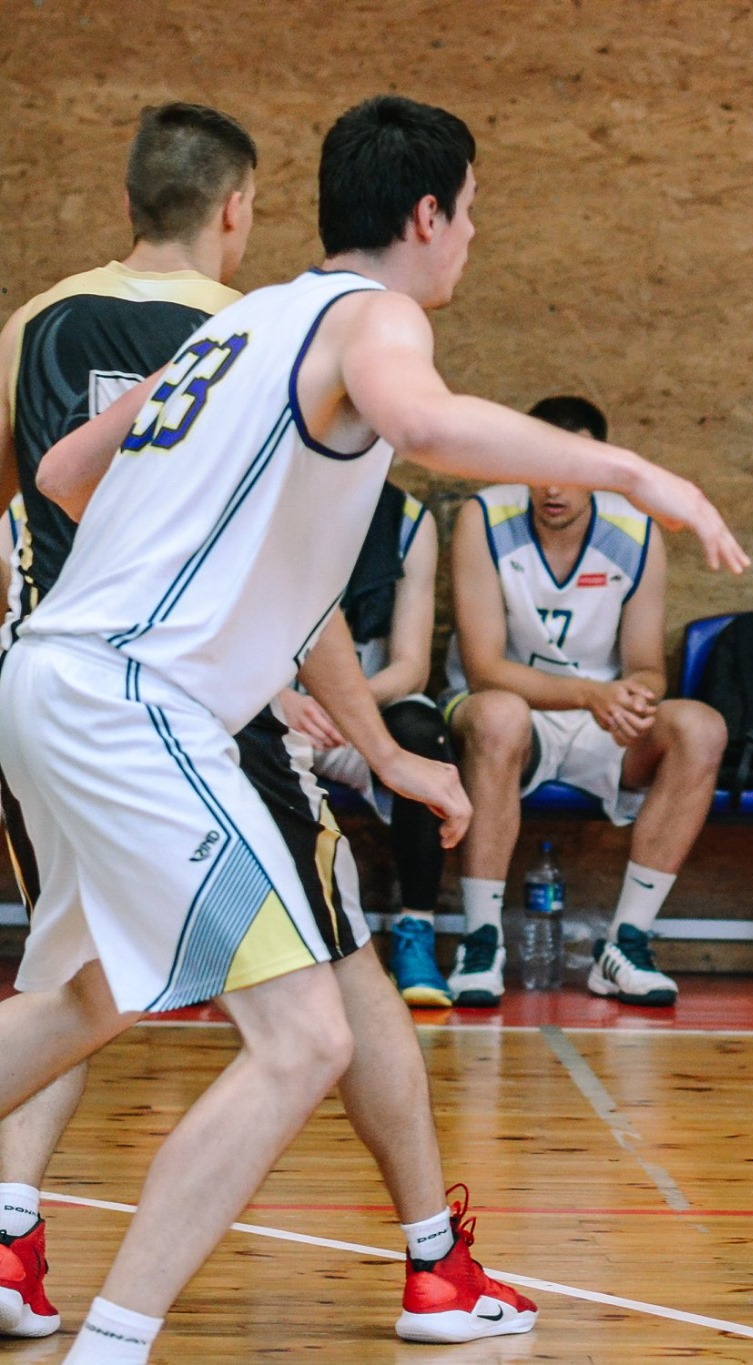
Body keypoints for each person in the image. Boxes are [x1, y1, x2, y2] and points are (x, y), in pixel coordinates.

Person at [4, 94, 745, 1361]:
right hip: (135, 704)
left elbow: (65, 472)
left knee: (88, 998)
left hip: (45, 681)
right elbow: (423, 423)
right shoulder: (372, 317)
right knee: (306, 1040)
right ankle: (112, 1347)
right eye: (472, 213)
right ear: (427, 214)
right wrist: (633, 472)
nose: (473, 238)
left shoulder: (241, 326)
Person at [0, 102, 530, 1349]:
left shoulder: (31, 326)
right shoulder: (257, 332)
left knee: (81, 985)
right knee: (329, 991)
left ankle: (12, 1236)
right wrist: (380, 746)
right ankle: (432, 1263)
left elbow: (36, 497)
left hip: (48, 681)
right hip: (185, 710)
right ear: (238, 208)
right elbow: (295, 581)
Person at [440, 395, 729, 1010]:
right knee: (499, 715)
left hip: (597, 717)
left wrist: (633, 697)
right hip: (508, 714)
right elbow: (486, 670)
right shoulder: (482, 517)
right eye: (539, 465)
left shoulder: (637, 531)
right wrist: (592, 693)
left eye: (571, 469)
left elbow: (647, 666)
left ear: (600, 468)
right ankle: (481, 941)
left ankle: (627, 944)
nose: (553, 487)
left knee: (700, 727)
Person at [285, 480, 457, 1008]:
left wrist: (349, 704)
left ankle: (416, 931)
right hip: (270, 707)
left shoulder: (407, 519)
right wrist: (280, 699)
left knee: (421, 734)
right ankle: (223, 944)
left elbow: (411, 665)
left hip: (359, 716)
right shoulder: (267, 495)